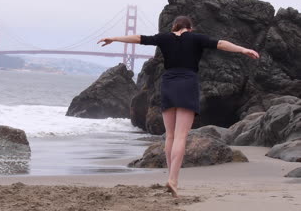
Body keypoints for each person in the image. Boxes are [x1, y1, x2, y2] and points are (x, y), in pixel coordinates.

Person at [97, 16, 259, 197]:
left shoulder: (164, 38)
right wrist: (243, 50)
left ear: (175, 26)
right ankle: (173, 179)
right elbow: (221, 44)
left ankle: (170, 175)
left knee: (170, 136)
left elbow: (139, 38)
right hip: (187, 83)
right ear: (190, 28)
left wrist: (114, 38)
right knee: (181, 136)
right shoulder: (196, 38)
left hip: (168, 84)